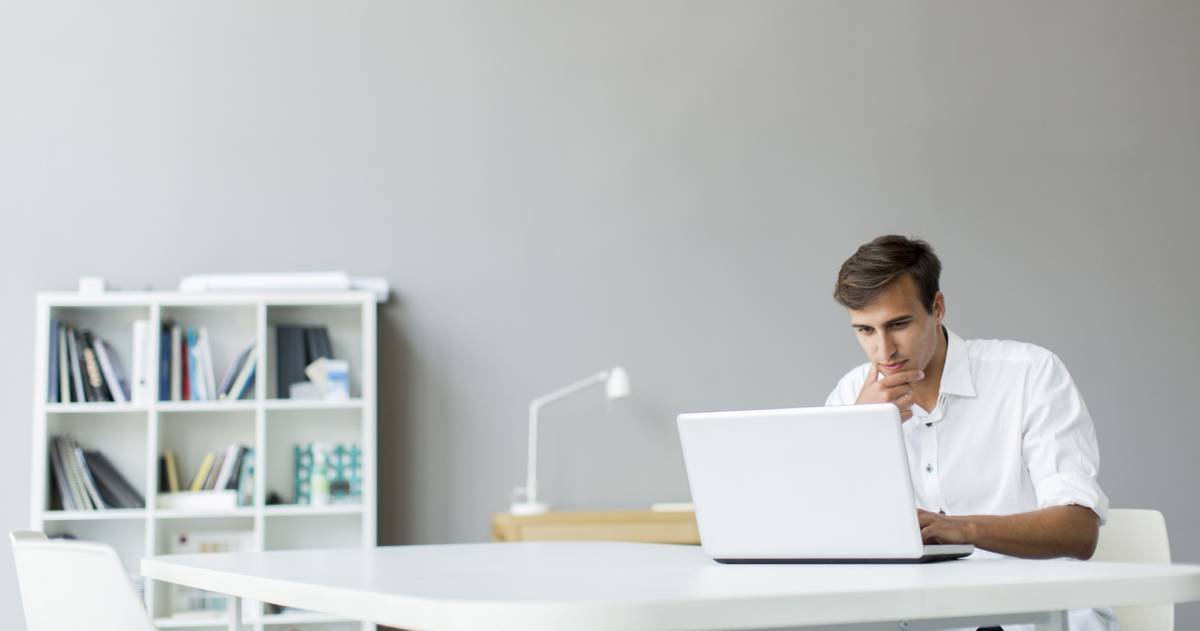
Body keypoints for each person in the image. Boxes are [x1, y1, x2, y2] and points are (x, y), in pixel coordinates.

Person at [825, 235, 1115, 631]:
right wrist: (861, 434)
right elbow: (826, 531)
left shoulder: (1029, 374)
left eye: (899, 324)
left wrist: (963, 529)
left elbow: (1078, 531)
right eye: (865, 331)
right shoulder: (852, 396)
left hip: (1038, 615)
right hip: (917, 617)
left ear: (938, 308)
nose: (883, 351)